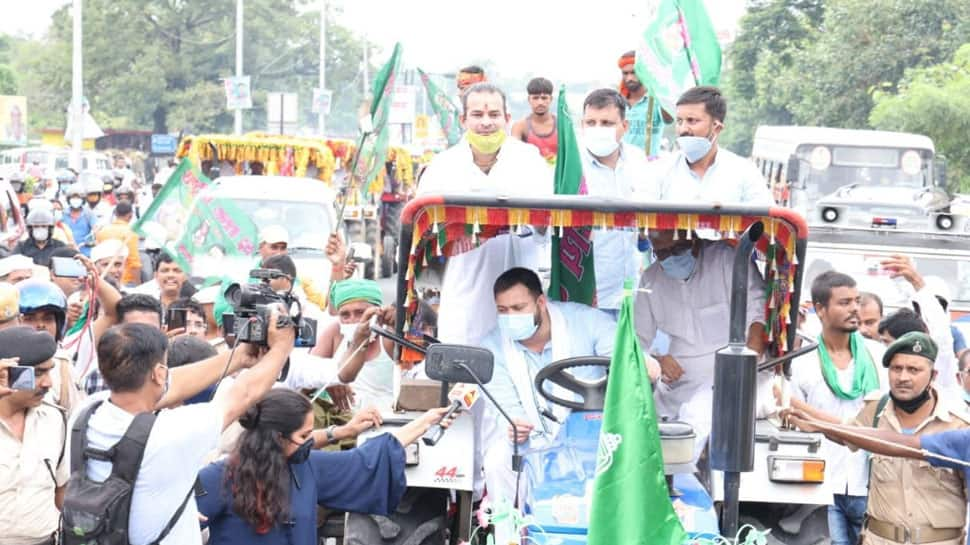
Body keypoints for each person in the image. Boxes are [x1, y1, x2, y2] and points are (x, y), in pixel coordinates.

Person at [69, 311, 295, 545]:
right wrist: (281, 347)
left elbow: (172, 384)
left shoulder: (85, 412)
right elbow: (244, 393)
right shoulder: (171, 432)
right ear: (158, 373)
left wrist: (238, 357)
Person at [196, 388, 453, 544]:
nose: (312, 440)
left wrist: (426, 422)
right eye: (305, 435)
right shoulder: (217, 477)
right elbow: (170, 518)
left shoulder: (308, 466)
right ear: (276, 438)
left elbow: (367, 459)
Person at [785, 332, 969, 545]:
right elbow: (847, 434)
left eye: (914, 370)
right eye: (896, 369)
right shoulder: (876, 411)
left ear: (933, 375)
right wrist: (810, 420)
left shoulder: (959, 425)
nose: (903, 378)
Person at [478, 268, 629, 514]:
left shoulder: (588, 321)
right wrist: (516, 424)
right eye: (502, 310)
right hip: (531, 439)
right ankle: (510, 533)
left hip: (592, 435)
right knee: (497, 459)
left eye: (518, 308)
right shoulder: (491, 347)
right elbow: (505, 406)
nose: (510, 317)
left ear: (541, 302)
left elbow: (625, 362)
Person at [416, 82, 552, 345]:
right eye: (477, 115)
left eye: (494, 115)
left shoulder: (530, 161)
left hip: (521, 298)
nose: (486, 123)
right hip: (464, 295)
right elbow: (424, 240)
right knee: (463, 376)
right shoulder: (443, 167)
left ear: (507, 118)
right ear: (463, 119)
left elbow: (545, 225)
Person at [634, 229, 767, 461]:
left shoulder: (727, 260)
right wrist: (656, 359)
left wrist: (745, 366)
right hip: (679, 382)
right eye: (663, 253)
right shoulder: (651, 278)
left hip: (736, 374)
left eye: (677, 249)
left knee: (699, 415)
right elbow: (636, 339)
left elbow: (758, 316)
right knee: (640, 425)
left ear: (694, 241)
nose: (671, 257)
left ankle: (684, 481)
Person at [779, 271, 886, 545]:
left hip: (871, 485)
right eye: (844, 302)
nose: (854, 309)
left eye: (856, 301)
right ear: (820, 309)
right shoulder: (802, 361)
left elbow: (870, 423)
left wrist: (799, 406)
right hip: (820, 489)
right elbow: (794, 422)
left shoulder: (877, 356)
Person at [579, 88, 653, 313]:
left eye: (607, 123)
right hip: (584, 293)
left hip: (629, 291)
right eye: (591, 123)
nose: (598, 129)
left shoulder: (638, 161)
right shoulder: (572, 166)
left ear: (625, 126)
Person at [646, 86, 773, 205]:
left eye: (692, 121)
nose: (683, 129)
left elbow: (767, 222)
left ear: (716, 128)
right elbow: (639, 220)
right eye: (679, 121)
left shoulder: (745, 172)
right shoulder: (659, 171)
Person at [0, 327, 67, 545]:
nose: (47, 383)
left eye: (49, 371)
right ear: (6, 372)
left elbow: (61, 490)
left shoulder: (54, 418)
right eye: (37, 373)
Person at [311, 279, 396, 411]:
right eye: (345, 315)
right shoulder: (335, 331)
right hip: (341, 420)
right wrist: (329, 380)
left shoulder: (389, 335)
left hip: (386, 419)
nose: (353, 320)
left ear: (377, 312)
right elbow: (310, 370)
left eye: (360, 312)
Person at [617, 50, 670, 157]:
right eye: (625, 73)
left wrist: (660, 88)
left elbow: (669, 119)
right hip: (622, 166)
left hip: (648, 166)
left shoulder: (655, 99)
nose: (629, 78)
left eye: (634, 72)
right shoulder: (617, 102)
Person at [510, 77, 557, 163]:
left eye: (544, 98)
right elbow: (514, 155)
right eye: (535, 98)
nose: (540, 102)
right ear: (529, 99)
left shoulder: (562, 125)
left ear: (550, 99)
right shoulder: (520, 127)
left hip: (557, 175)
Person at [94, 201, 141, 286]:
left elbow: (98, 259)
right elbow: (134, 263)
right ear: (130, 215)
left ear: (115, 213)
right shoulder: (130, 233)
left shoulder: (103, 231)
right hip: (125, 280)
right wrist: (138, 285)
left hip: (105, 279)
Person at [62, 184, 98, 257]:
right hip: (67, 251)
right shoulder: (63, 214)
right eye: (73, 198)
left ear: (83, 199)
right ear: (68, 199)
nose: (75, 200)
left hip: (85, 251)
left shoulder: (88, 214)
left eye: (78, 198)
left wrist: (92, 239)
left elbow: (96, 229)